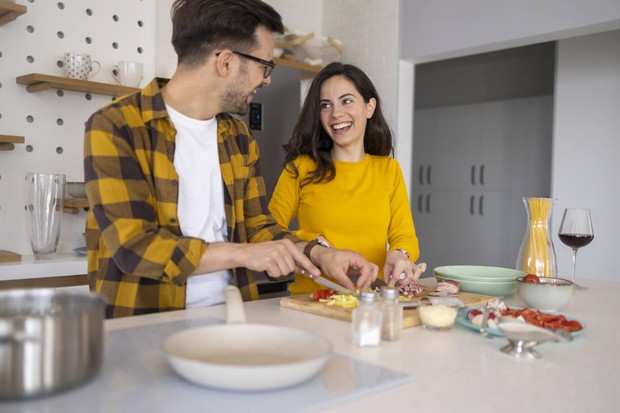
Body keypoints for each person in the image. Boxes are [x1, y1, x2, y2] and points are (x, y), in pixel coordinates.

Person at [83, 0, 377, 318]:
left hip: (232, 317)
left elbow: (257, 226)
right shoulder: (116, 125)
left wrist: (319, 254)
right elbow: (134, 248)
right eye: (265, 66)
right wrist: (244, 254)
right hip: (145, 326)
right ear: (225, 62)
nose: (267, 80)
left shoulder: (237, 136)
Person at [269, 62, 427, 296]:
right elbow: (269, 232)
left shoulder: (389, 170)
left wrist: (399, 254)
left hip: (370, 300)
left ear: (369, 107)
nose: (336, 114)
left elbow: (404, 235)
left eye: (346, 101)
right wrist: (316, 246)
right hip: (312, 302)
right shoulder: (300, 168)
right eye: (326, 105)